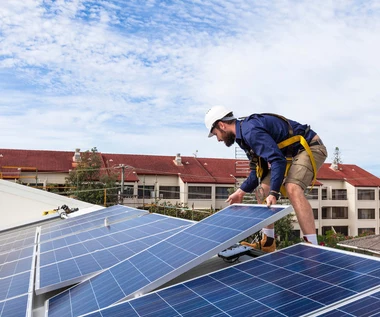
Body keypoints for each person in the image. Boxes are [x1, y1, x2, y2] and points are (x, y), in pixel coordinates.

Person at [205, 106, 327, 252]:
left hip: (310, 147)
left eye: (216, 134)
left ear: (221, 125)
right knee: (262, 190)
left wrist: (274, 193)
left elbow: (277, 160)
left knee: (292, 188)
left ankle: (312, 247)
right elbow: (258, 171)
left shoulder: (250, 131)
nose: (218, 139)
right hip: (289, 154)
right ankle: (268, 242)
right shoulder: (243, 136)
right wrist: (240, 192)